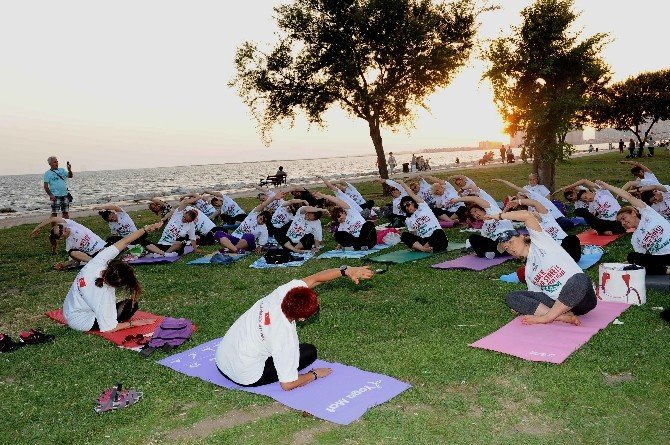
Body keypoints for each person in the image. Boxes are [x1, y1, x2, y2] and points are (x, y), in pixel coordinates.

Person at [215, 265, 374, 389]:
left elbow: (317, 278)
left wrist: (346, 271)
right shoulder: (285, 336)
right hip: (245, 376)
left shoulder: (281, 293)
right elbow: (288, 384)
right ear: (303, 318)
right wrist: (314, 374)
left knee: (281, 349)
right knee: (309, 352)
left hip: (223, 358)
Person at [492, 210, 597, 325]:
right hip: (555, 303)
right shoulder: (528, 271)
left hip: (581, 300)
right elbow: (536, 296)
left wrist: (499, 216)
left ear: (522, 237)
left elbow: (527, 216)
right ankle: (561, 317)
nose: (510, 249)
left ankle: (547, 317)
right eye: (506, 248)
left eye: (511, 242)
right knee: (512, 297)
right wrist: (524, 305)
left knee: (579, 278)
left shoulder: (541, 243)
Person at [62, 222, 163, 332]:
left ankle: (100, 313)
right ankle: (103, 316)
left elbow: (125, 241)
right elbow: (109, 328)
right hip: (81, 323)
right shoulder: (105, 294)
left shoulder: (96, 263)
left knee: (122, 306)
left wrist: (146, 228)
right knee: (130, 306)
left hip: (69, 310)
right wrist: (133, 323)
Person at [595, 181, 670, 275]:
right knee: (632, 257)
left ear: (633, 213)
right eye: (620, 222)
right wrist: (626, 264)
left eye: (623, 218)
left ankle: (662, 269)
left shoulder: (649, 214)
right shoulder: (635, 238)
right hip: (661, 259)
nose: (623, 222)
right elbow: (643, 257)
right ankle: (666, 270)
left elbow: (628, 196)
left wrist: (607, 186)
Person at [492, 178, 573, 230]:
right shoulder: (528, 206)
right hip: (545, 221)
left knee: (568, 224)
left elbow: (515, 187)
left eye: (520, 196)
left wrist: (502, 181)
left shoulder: (533, 195)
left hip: (556, 217)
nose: (519, 197)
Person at [450, 195, 515, 258]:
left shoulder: (493, 211)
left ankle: (491, 252)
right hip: (496, 245)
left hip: (507, 238)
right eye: (473, 215)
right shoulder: (484, 226)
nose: (475, 215)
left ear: (482, 209)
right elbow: (487, 240)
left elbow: (474, 198)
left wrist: (457, 200)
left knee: (502, 238)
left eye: (475, 211)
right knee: (473, 237)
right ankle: (491, 252)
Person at [95, 205, 172, 257]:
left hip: (138, 235)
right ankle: (162, 252)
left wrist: (100, 207)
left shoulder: (122, 214)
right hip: (127, 240)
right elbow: (115, 235)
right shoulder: (111, 224)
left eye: (112, 217)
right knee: (110, 239)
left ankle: (162, 252)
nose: (113, 219)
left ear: (113, 213)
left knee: (142, 241)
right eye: (110, 220)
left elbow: (114, 206)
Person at [31, 217, 107, 269]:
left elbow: (52, 219)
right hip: (95, 256)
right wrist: (62, 265)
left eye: (60, 227)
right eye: (61, 231)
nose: (63, 229)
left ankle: (101, 262)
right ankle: (98, 263)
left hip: (104, 247)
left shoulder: (72, 224)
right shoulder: (70, 245)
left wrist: (38, 227)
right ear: (61, 238)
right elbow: (75, 262)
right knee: (72, 253)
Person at [394, 180, 448, 252]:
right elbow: (414, 234)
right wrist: (414, 242)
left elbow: (411, 194)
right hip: (424, 240)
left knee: (439, 232)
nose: (407, 208)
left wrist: (402, 183)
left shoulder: (423, 207)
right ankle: (424, 249)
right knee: (404, 235)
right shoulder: (408, 219)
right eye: (404, 207)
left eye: (407, 204)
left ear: (413, 202)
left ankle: (423, 248)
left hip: (436, 238)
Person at [561, 179, 625, 235]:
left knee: (621, 227)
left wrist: (570, 187)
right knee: (580, 212)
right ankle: (603, 231)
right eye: (585, 200)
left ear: (587, 192)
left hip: (618, 219)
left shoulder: (601, 191)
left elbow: (584, 181)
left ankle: (605, 231)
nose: (587, 200)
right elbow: (592, 218)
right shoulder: (591, 205)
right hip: (606, 223)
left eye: (586, 197)